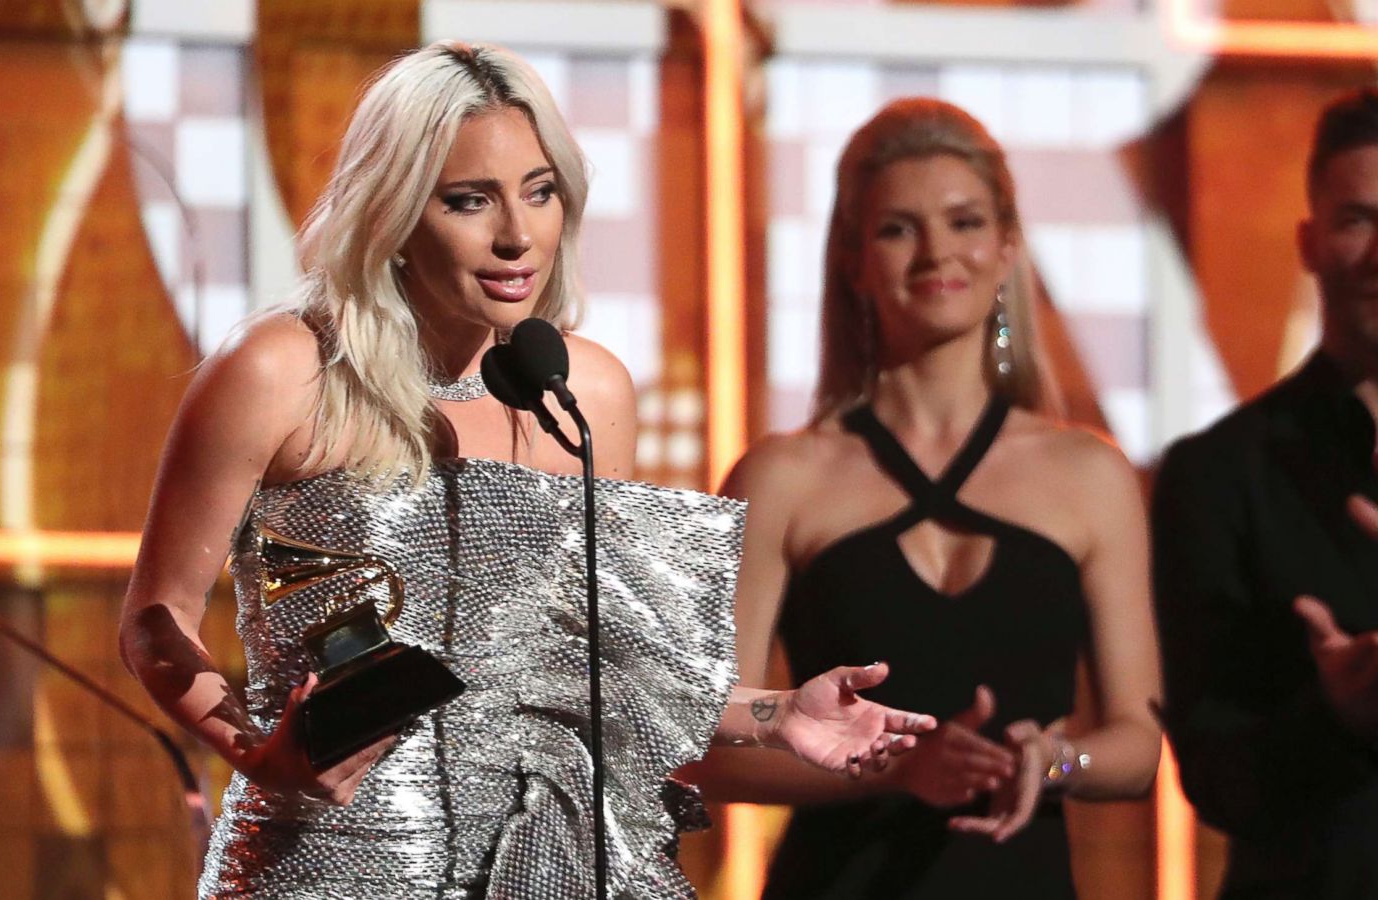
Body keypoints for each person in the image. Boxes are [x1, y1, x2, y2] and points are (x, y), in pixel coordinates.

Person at [117, 42, 933, 898]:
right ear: (393, 212)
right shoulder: (281, 370)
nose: (517, 236)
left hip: (545, 862)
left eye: (539, 193)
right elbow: (156, 617)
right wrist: (257, 752)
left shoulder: (588, 391)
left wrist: (778, 714)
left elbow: (596, 672)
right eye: (471, 201)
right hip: (332, 859)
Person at [682, 99, 1162, 898]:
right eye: (899, 228)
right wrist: (893, 771)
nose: (938, 251)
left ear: (1007, 247)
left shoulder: (1091, 476)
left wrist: (1057, 759)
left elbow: (1137, 745)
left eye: (965, 222)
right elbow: (701, 742)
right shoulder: (780, 479)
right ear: (854, 260)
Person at [1153, 88, 1378, 898]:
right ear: (1309, 243)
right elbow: (1216, 779)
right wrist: (1338, 716)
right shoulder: (1218, 476)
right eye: (1359, 220)